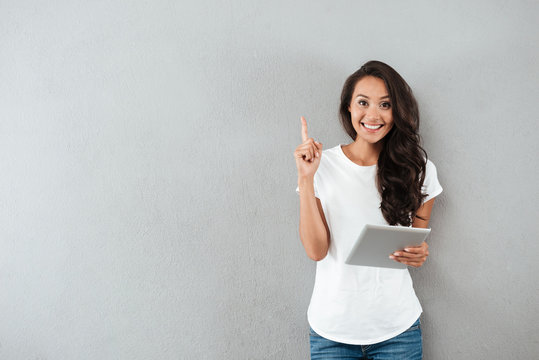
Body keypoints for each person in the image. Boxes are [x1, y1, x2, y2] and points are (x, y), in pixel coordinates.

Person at [294, 60, 443, 360]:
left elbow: (416, 240)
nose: (373, 115)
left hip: (397, 330)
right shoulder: (323, 166)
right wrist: (306, 179)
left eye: (385, 104)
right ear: (348, 108)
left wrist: (419, 253)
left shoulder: (419, 170)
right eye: (363, 102)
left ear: (397, 111)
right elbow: (316, 251)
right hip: (331, 331)